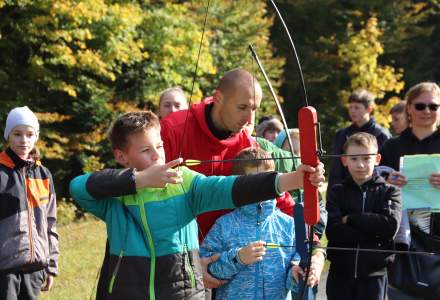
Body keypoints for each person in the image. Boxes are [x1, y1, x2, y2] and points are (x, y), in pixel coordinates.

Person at [69, 110, 325, 300]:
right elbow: (78, 187)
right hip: (126, 292)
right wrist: (140, 180)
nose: (158, 155)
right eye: (146, 150)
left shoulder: (186, 182)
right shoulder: (116, 195)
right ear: (122, 156)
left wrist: (292, 179)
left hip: (183, 293)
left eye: (159, 145)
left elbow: (232, 188)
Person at [160, 68, 327, 292]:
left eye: (254, 110)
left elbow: (278, 199)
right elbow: (153, 205)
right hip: (178, 263)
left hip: (226, 273)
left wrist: (313, 249)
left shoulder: (248, 147)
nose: (249, 119)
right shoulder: (173, 129)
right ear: (218, 98)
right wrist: (189, 263)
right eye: (242, 108)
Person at [200, 147, 323, 299]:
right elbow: (207, 270)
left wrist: (297, 275)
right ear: (239, 184)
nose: (260, 188)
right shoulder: (224, 225)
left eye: (265, 181)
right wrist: (238, 258)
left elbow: (295, 276)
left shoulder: (289, 225)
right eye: (253, 182)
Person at [380, 82, 440, 299]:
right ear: (409, 108)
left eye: (433, 107)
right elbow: (374, 181)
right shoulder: (392, 146)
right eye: (421, 106)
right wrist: (388, 179)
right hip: (404, 233)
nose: (427, 111)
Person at [325, 132, 401, 300]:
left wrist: (352, 219)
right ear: (344, 160)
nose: (360, 164)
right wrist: (373, 232)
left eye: (367, 158)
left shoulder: (390, 191)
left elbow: (389, 227)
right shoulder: (337, 192)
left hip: (374, 276)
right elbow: (333, 231)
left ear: (377, 159)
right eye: (354, 159)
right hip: (340, 275)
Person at [0, 106, 59, 299]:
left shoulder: (44, 174)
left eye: (29, 134)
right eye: (17, 134)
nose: (23, 140)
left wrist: (51, 266)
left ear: (36, 137)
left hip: (35, 269)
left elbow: (50, 222)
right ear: (8, 135)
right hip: (4, 270)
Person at [327, 89, 391, 190]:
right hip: (346, 192)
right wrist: (333, 192)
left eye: (357, 107)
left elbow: (387, 169)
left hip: (375, 192)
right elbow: (336, 169)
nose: (352, 111)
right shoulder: (342, 134)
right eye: (351, 107)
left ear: (369, 109)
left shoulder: (382, 135)